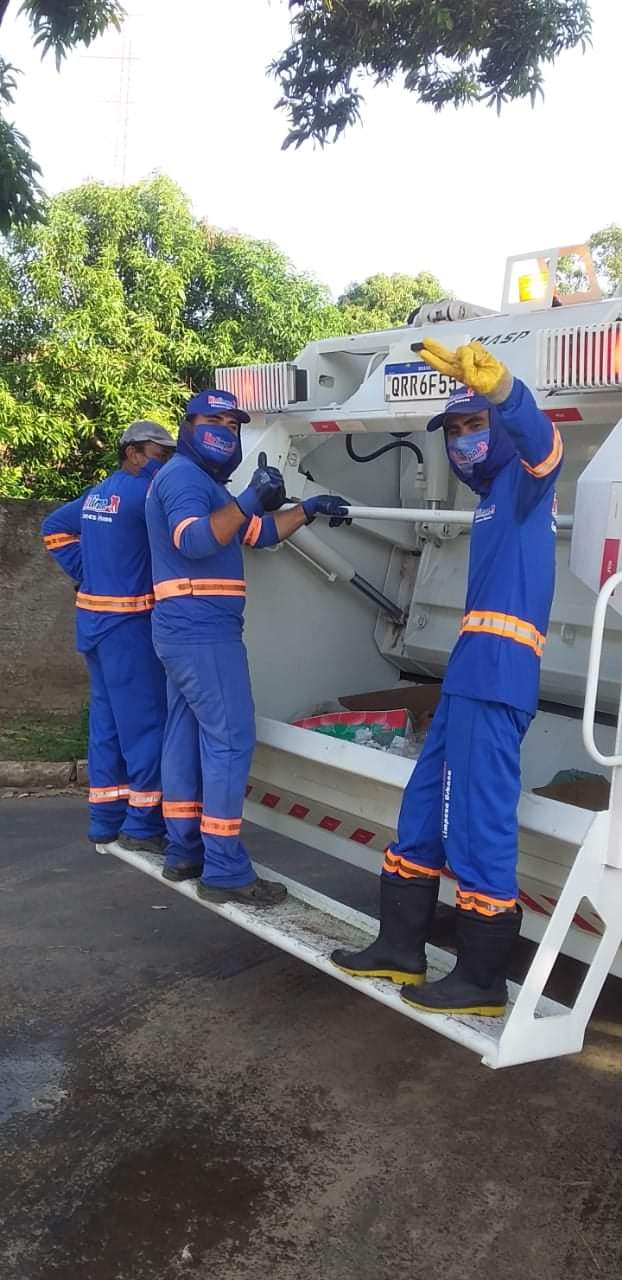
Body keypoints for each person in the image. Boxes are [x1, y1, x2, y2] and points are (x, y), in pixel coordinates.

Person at [332, 339, 563, 1016]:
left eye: (473, 425)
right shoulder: (491, 499)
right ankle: (400, 948)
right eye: (454, 430)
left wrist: (504, 393)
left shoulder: (522, 483)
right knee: (421, 815)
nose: (463, 440)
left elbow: (545, 447)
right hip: (469, 680)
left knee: (477, 826)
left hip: (496, 683)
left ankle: (482, 980)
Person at [146, 387, 350, 907]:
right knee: (231, 742)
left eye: (234, 425)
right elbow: (194, 540)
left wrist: (306, 509)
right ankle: (224, 870)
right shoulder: (184, 478)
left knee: (184, 737)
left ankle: (184, 851)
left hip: (187, 632)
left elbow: (257, 533)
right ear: (188, 427)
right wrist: (247, 499)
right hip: (202, 633)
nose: (226, 432)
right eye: (214, 422)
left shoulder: (203, 482)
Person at [41, 420, 176, 852]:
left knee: (107, 725)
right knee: (145, 725)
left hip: (95, 627)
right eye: (160, 455)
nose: (165, 464)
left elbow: (53, 528)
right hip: (128, 628)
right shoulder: (145, 496)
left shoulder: (99, 494)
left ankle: (105, 819)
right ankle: (143, 825)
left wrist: (87, 572)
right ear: (133, 453)